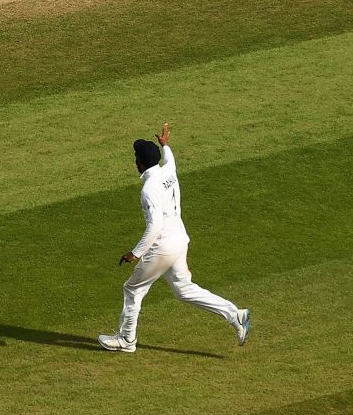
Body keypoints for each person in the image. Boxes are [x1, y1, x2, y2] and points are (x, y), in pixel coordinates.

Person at [98, 123, 250, 353]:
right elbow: (171, 160)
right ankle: (235, 315)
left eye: (135, 157)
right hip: (180, 240)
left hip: (163, 247)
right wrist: (166, 145)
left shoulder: (149, 189)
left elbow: (155, 225)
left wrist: (135, 253)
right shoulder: (167, 171)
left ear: (140, 162)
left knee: (133, 290)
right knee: (183, 289)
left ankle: (127, 340)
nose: (134, 161)